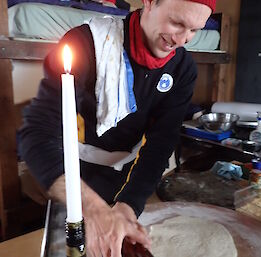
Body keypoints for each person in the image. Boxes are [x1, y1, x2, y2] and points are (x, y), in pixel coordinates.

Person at [19, 0, 215, 256]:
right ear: (150, 3)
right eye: (177, 23)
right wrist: (93, 209)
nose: (182, 39)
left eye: (195, 30)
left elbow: (160, 144)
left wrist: (128, 207)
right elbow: (36, 135)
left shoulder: (182, 68)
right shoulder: (85, 44)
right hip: (76, 179)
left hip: (132, 178)